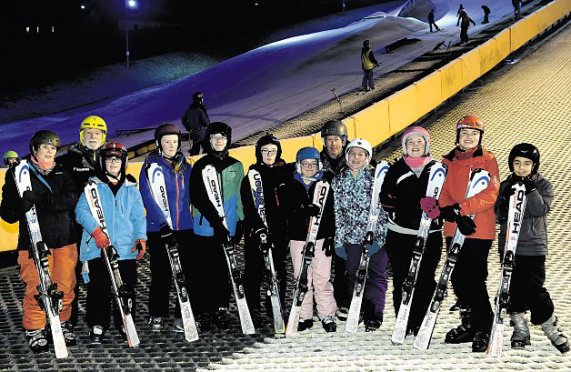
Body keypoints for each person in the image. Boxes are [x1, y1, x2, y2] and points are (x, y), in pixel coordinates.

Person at [0, 130, 78, 353]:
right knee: (36, 287)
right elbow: (7, 213)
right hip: (33, 242)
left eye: (53, 148)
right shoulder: (18, 172)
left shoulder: (62, 170)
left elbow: (72, 199)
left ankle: (62, 322)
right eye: (45, 147)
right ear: (35, 149)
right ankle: (35, 328)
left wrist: (44, 200)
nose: (49, 152)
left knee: (65, 286)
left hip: (64, 238)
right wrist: (19, 204)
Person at [495, 143, 569, 354]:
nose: (521, 168)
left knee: (534, 289)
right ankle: (519, 328)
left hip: (533, 245)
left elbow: (540, 210)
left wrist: (530, 189)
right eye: (517, 163)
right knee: (512, 287)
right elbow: (499, 216)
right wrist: (505, 199)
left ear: (534, 165)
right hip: (509, 245)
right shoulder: (506, 184)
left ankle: (550, 326)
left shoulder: (543, 185)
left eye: (527, 164)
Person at [434, 116, 499, 352]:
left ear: (480, 137)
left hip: (478, 228)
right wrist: (450, 211)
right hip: (454, 228)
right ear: (458, 136)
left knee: (474, 277)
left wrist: (462, 209)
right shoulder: (447, 161)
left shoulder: (488, 160)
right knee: (458, 278)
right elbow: (441, 190)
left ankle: (484, 326)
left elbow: (490, 193)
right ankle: (469, 323)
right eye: (464, 134)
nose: (469, 138)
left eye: (473, 134)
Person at [75, 142, 146, 344]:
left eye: (117, 159)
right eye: (109, 159)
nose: (113, 162)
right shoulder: (92, 187)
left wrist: (141, 238)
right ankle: (98, 323)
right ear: (102, 162)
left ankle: (125, 320)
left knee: (127, 286)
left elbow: (138, 217)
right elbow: (81, 213)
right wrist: (96, 232)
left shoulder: (131, 188)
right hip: (99, 248)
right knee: (100, 287)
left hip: (125, 247)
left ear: (123, 162)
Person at [381, 127, 442, 336]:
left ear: (426, 144)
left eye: (419, 142)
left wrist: (438, 209)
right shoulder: (396, 169)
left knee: (425, 278)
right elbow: (386, 199)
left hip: (430, 235)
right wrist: (414, 204)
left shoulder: (438, 169)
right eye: (410, 142)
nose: (415, 146)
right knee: (402, 278)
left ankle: (421, 321)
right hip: (400, 234)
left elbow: (447, 199)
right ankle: (404, 319)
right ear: (405, 146)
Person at [189, 122, 245, 331]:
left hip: (228, 227)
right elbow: (197, 197)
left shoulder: (236, 165)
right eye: (214, 137)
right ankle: (204, 311)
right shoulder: (201, 165)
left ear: (228, 139)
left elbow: (240, 195)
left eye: (222, 137)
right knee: (205, 270)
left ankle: (220, 308)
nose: (219, 141)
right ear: (209, 141)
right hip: (205, 228)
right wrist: (215, 222)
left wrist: (240, 221)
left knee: (224, 270)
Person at [139, 124, 193, 333]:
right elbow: (147, 197)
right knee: (162, 274)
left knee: (185, 273)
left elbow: (191, 195)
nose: (171, 145)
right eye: (166, 141)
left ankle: (183, 313)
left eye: (174, 141)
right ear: (159, 144)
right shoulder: (151, 167)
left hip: (184, 228)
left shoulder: (185, 166)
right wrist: (162, 225)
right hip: (159, 228)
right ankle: (157, 314)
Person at [278, 147, 337, 332]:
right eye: (305, 164)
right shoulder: (289, 185)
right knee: (302, 277)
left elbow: (332, 213)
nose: (309, 168)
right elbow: (285, 211)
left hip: (320, 238)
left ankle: (327, 314)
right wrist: (303, 209)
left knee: (322, 277)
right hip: (298, 238)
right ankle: (304, 315)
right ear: (298, 165)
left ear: (319, 165)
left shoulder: (326, 184)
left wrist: (330, 235)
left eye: (313, 164)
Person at [333, 138, 388, 332]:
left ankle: (374, 313)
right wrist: (338, 241)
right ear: (347, 156)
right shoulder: (339, 180)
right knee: (353, 273)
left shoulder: (377, 179)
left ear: (367, 158)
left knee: (376, 273)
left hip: (374, 235)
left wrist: (380, 238)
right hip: (351, 237)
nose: (356, 158)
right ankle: (358, 307)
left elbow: (384, 212)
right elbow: (337, 213)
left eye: (360, 154)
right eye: (352, 154)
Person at [59, 115, 107, 328]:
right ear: (81, 135)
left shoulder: (110, 158)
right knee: (72, 273)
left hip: (102, 226)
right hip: (75, 226)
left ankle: (98, 317)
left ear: (103, 136)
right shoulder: (68, 160)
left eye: (97, 133)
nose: (92, 136)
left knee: (100, 272)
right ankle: (69, 317)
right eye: (88, 133)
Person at [241, 134, 288, 328]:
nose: (269, 155)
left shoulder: (284, 175)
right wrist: (258, 226)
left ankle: (274, 305)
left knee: (278, 270)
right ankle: (253, 308)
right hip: (256, 231)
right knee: (254, 271)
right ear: (258, 153)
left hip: (278, 231)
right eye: (265, 151)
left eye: (273, 151)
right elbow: (248, 206)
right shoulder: (251, 177)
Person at [319, 120, 350, 320]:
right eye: (329, 140)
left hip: (345, 222)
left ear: (343, 141)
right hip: (322, 222)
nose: (332, 144)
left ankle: (344, 301)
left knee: (344, 265)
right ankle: (321, 303)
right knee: (320, 267)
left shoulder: (353, 160)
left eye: (336, 140)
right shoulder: (317, 163)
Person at [181, 91, 210, 156]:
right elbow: (206, 121)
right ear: (200, 99)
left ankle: (193, 159)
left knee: (196, 147)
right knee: (207, 147)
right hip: (202, 131)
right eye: (202, 98)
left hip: (193, 132)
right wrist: (207, 125)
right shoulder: (200, 109)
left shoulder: (189, 109)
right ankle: (204, 159)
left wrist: (187, 127)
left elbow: (183, 119)